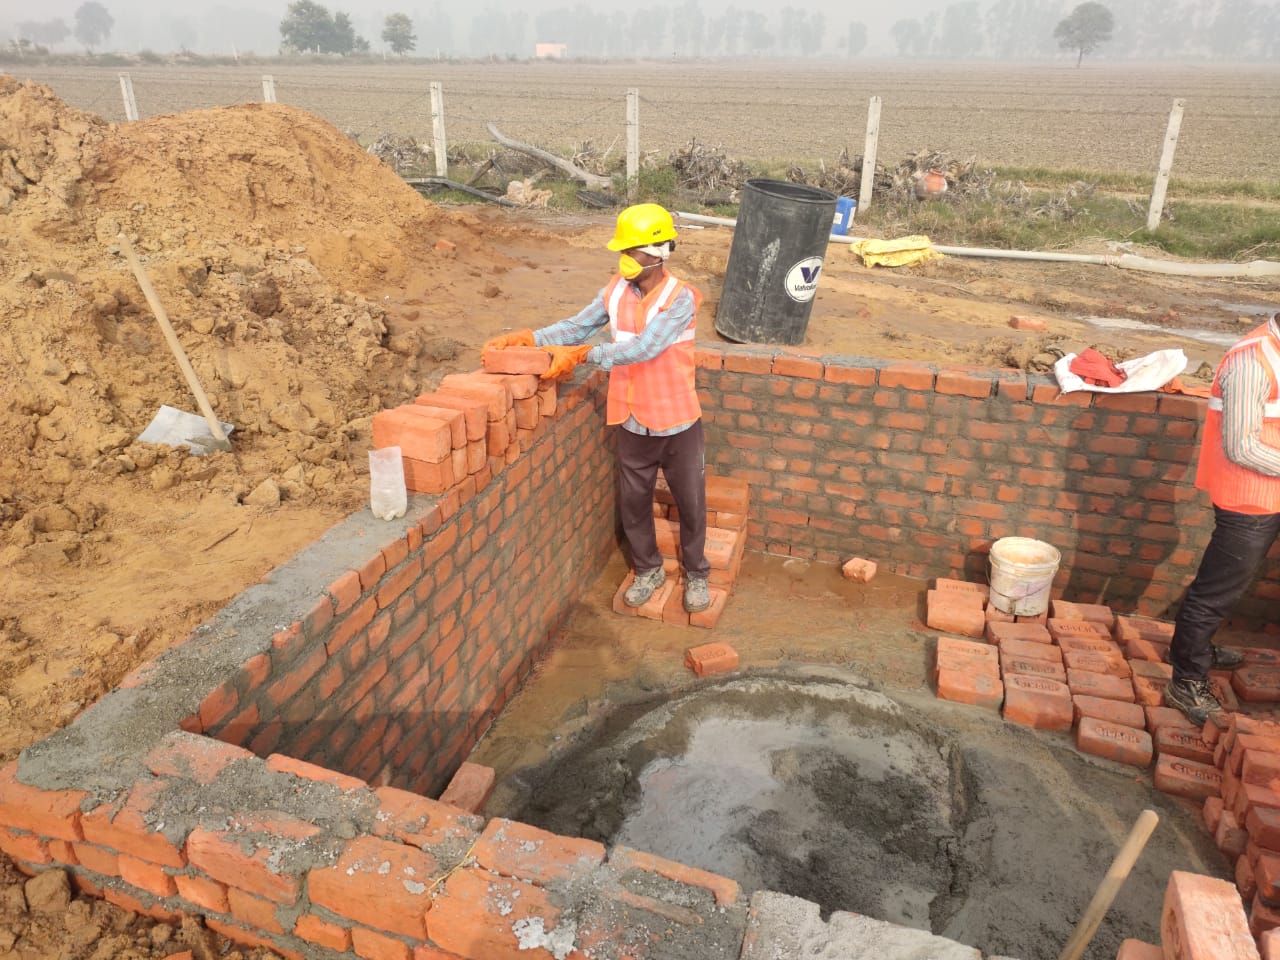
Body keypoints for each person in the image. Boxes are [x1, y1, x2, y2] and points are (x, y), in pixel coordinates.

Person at [483, 203, 712, 613]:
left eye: (632, 250)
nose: (624, 258)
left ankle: (696, 573)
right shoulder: (615, 290)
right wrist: (530, 339)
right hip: (631, 418)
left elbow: (643, 349)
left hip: (677, 421)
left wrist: (584, 355)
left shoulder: (680, 299)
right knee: (634, 503)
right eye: (622, 250)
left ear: (658, 252)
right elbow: (577, 326)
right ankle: (648, 570)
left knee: (691, 503)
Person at [1162, 315, 1280, 724]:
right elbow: (1241, 446)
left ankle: (1193, 649)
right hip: (1249, 499)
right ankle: (1185, 680)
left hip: (1271, 492)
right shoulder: (1252, 362)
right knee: (1216, 593)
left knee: (1227, 587)